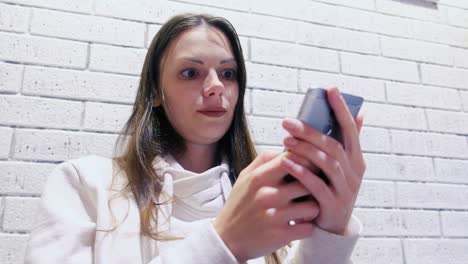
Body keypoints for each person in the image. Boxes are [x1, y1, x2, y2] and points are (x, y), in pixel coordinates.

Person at [25, 13, 366, 264]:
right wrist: (223, 242)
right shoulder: (85, 184)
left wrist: (329, 237)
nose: (217, 85)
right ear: (156, 92)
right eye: (191, 72)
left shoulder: (271, 200)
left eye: (228, 74)